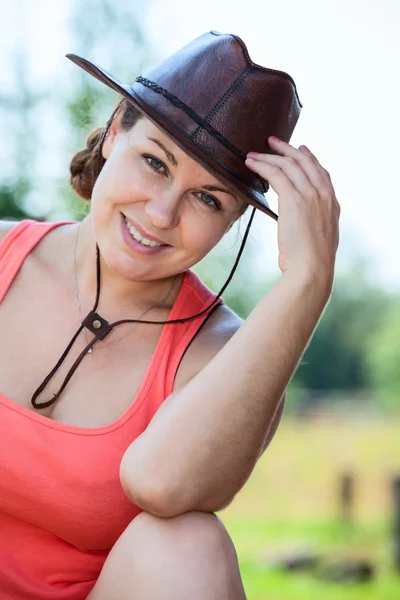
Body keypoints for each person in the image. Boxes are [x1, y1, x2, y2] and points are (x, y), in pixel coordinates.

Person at [0, 31, 340, 600]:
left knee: (187, 546)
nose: (161, 214)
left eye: (208, 199)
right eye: (155, 162)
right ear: (114, 132)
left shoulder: (225, 355)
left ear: (234, 222)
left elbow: (160, 484)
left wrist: (308, 281)